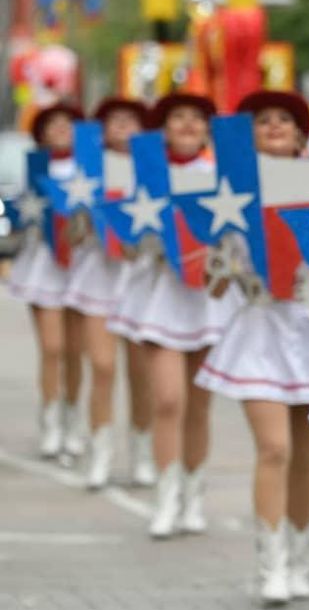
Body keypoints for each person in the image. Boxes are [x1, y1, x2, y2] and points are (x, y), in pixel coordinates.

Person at [194, 90, 309, 603]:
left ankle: (300, 557)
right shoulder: (233, 190)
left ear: (303, 134)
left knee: (305, 456)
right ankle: (270, 564)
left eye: (286, 119)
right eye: (264, 120)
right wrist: (223, 264)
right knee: (273, 449)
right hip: (258, 327)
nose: (276, 126)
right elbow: (211, 278)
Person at [108, 92, 241, 539]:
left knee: (198, 408)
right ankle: (164, 498)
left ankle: (193, 496)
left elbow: (240, 238)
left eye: (196, 118)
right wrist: (146, 237)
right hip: (161, 295)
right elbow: (126, 242)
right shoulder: (148, 175)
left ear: (207, 129)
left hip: (207, 300)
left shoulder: (222, 176)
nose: (187, 125)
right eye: (177, 117)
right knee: (167, 401)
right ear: (163, 128)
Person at [64, 97, 155, 488]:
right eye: (115, 120)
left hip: (139, 280)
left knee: (142, 375)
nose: (123, 126)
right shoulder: (86, 170)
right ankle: (100, 451)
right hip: (98, 278)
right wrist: (81, 215)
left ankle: (142, 451)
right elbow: (70, 235)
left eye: (131, 119)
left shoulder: (154, 170)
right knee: (102, 368)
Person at [7, 102, 87, 460]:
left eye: (67, 123)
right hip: (43, 265)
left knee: (75, 351)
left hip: (82, 267)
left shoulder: (90, 166)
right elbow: (19, 210)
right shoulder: (35, 166)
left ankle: (72, 419)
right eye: (53, 123)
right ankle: (50, 419)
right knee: (52, 348)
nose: (60, 129)